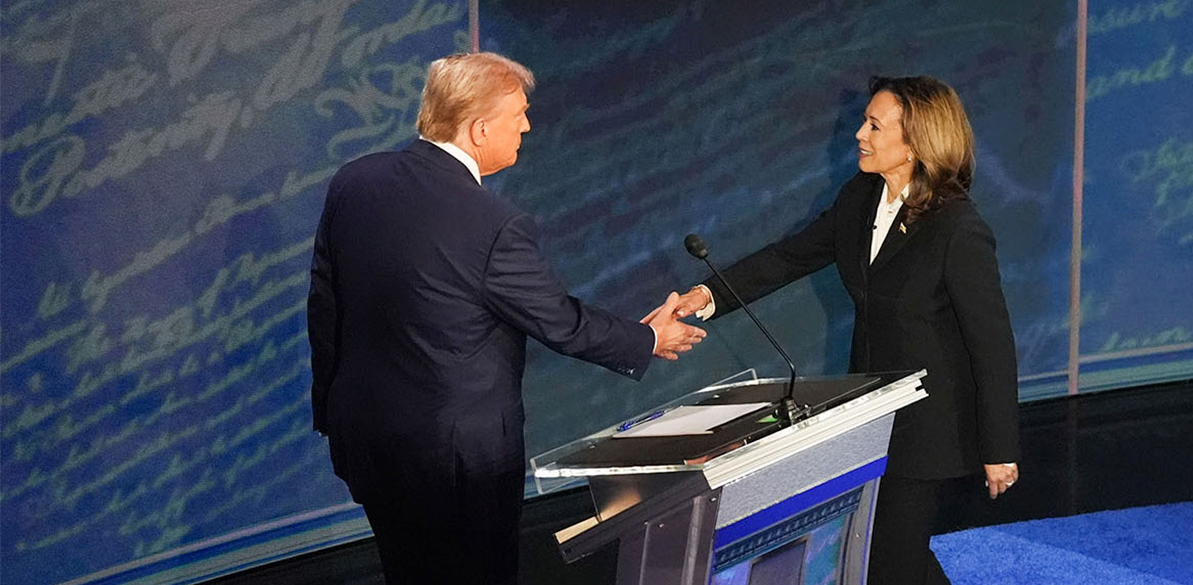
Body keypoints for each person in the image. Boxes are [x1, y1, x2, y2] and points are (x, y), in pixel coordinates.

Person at [306, 51, 706, 584]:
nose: (527, 125)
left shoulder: (356, 182)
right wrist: (647, 338)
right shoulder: (492, 224)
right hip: (457, 465)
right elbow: (560, 322)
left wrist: (333, 415)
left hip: (369, 439)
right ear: (477, 129)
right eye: (517, 113)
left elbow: (325, 307)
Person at [671, 75, 1018, 585]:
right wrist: (709, 294)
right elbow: (789, 256)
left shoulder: (957, 229)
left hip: (930, 429)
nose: (860, 133)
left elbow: (992, 344)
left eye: (875, 125)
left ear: (916, 143)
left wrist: (1000, 448)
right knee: (887, 558)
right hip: (871, 417)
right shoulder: (860, 198)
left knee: (888, 561)